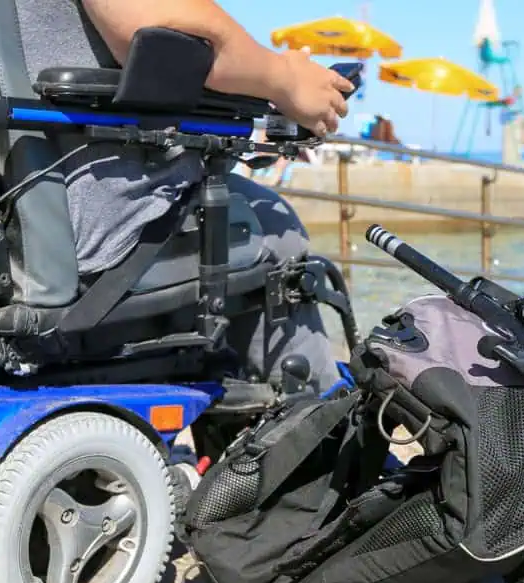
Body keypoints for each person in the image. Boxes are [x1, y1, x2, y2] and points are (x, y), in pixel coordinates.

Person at [74, 0, 355, 392]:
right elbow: (159, 29)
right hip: (107, 232)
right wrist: (284, 77)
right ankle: (323, 439)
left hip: (33, 219)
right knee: (271, 222)